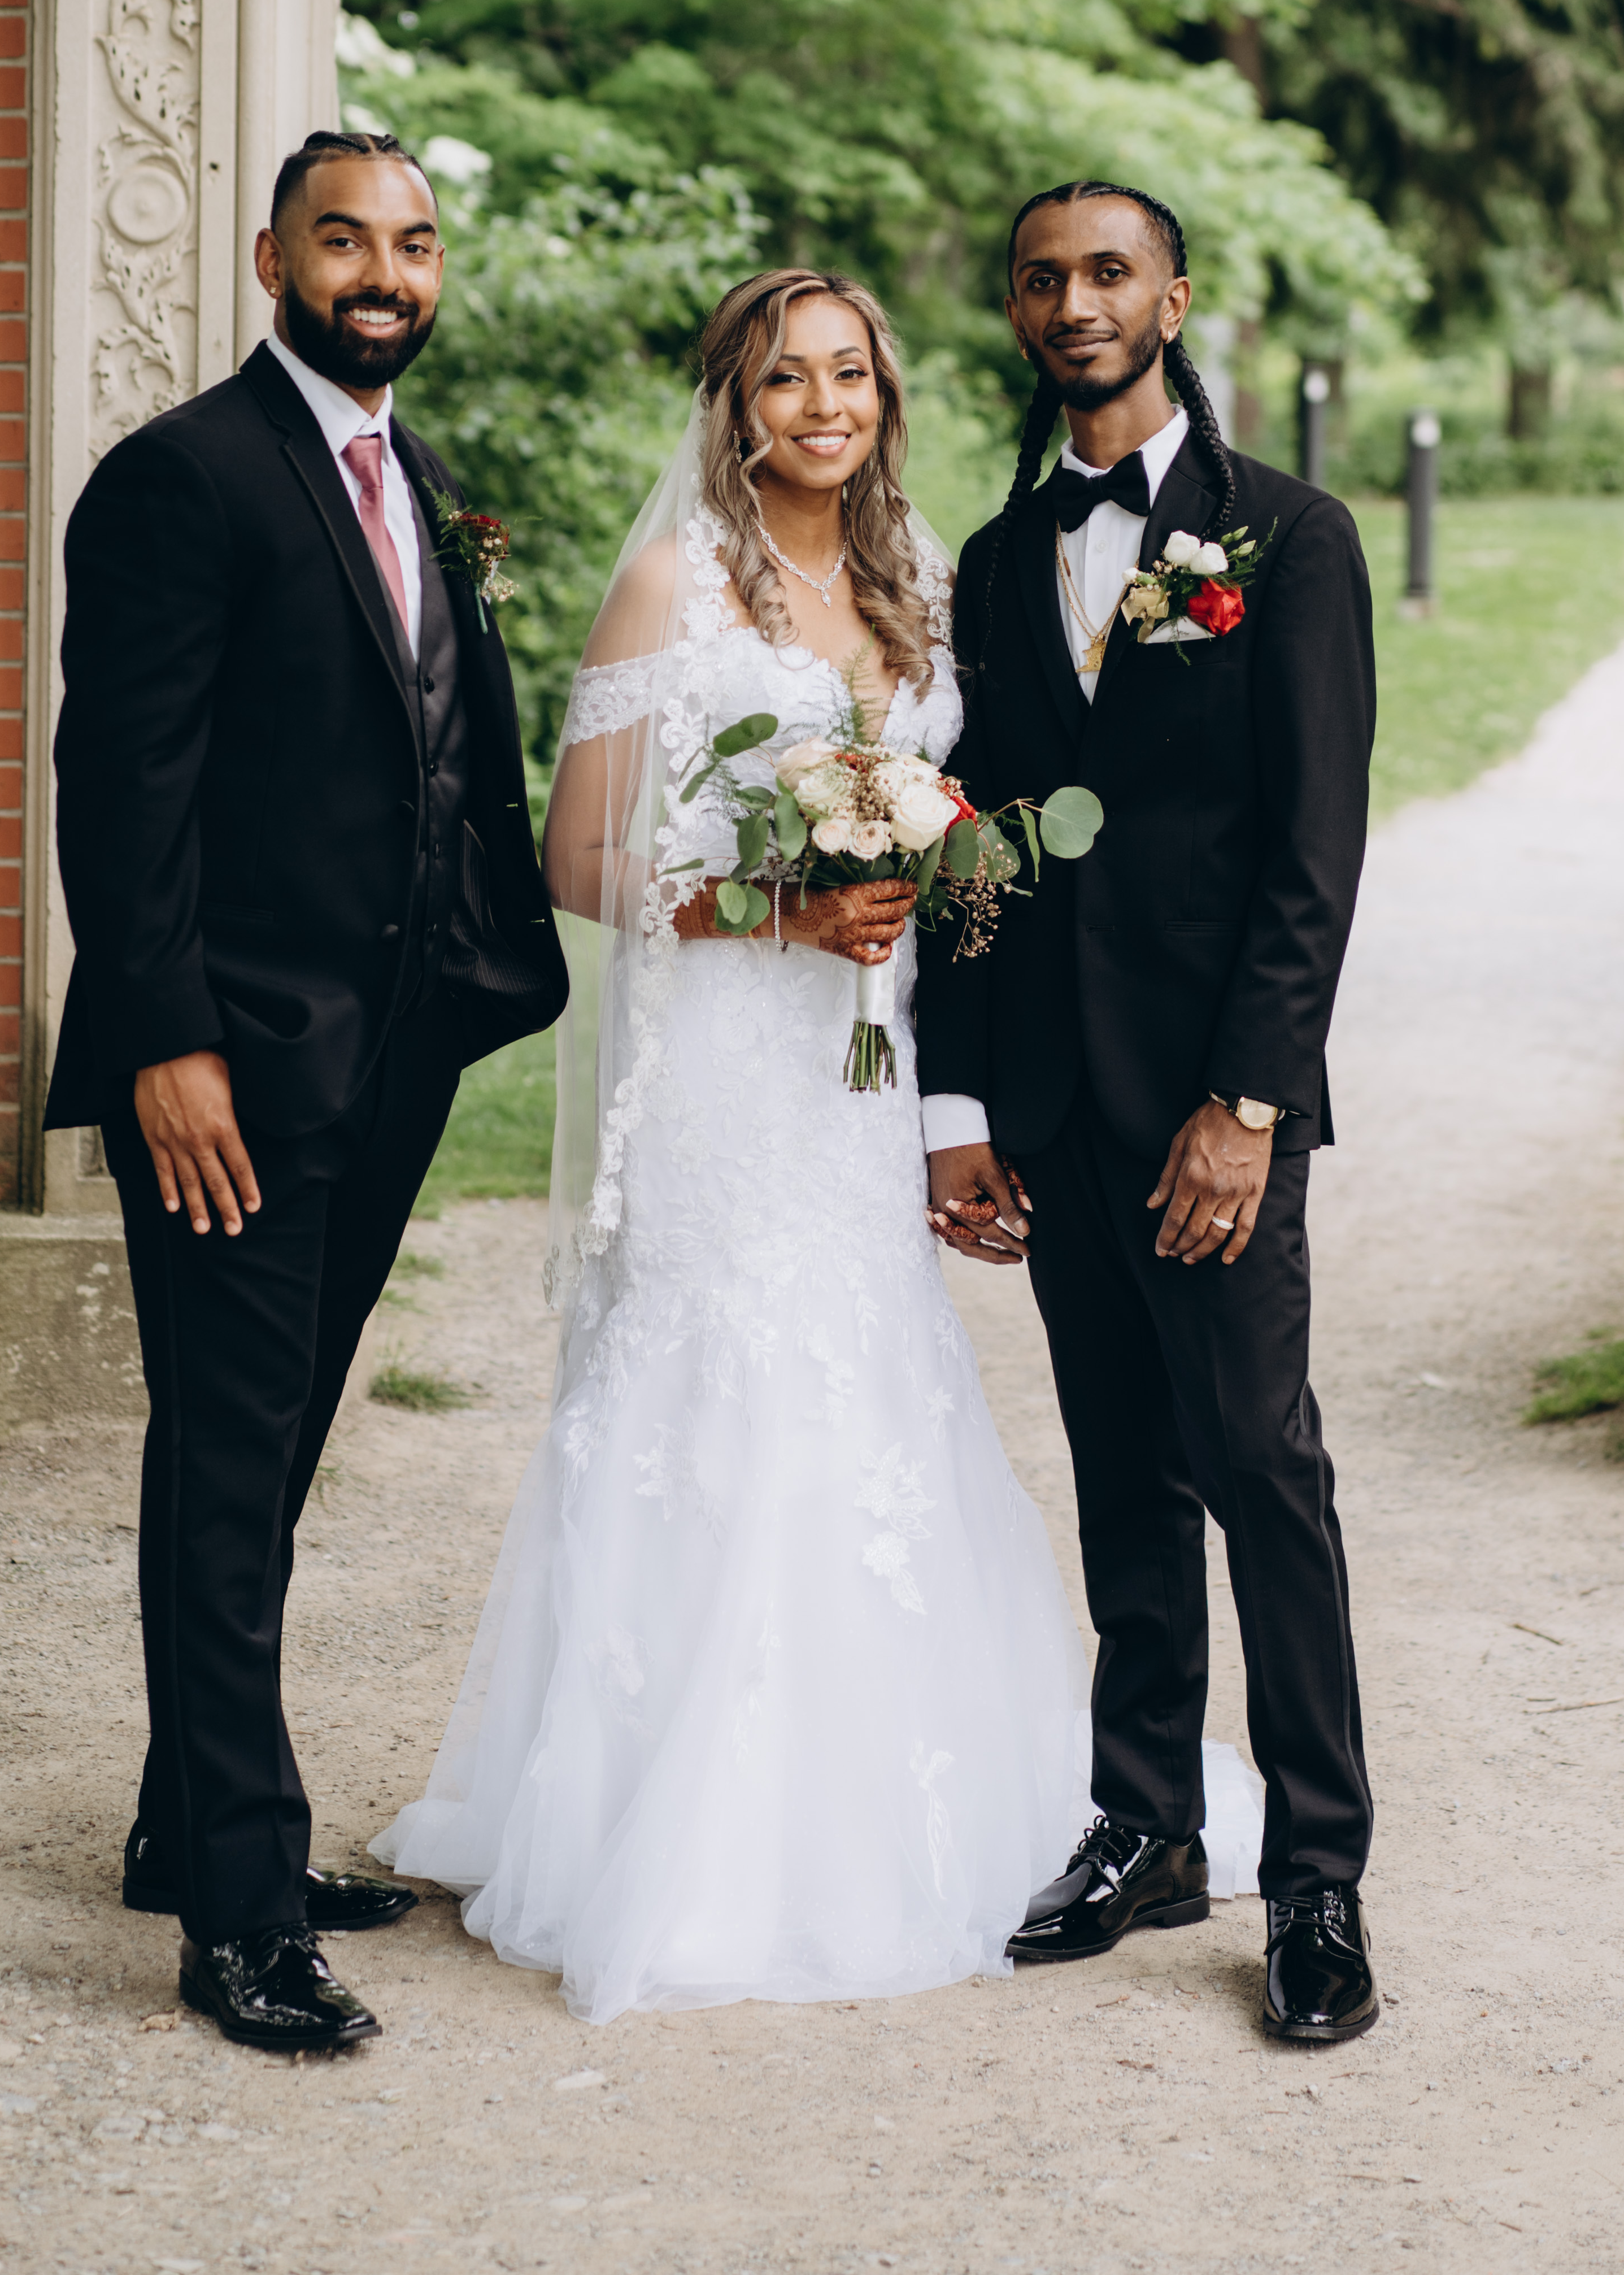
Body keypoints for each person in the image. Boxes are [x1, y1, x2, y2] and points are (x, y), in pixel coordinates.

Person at [371, 268, 1260, 2020]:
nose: (823, 407)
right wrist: (771, 909)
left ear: (884, 395)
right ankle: (678, 1821)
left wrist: (935, 898)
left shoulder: (922, 573)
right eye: (785, 379)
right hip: (722, 1068)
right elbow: (575, 860)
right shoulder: (673, 585)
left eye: (849, 374)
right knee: (716, 1383)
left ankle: (906, 1793)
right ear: (735, 404)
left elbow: (969, 818)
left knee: (872, 1378)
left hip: (866, 1066)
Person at [45, 129, 568, 2052]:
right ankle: (242, 1917)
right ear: (273, 258)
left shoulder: (409, 474)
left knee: (269, 1453)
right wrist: (162, 1041)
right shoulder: (182, 476)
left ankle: (189, 1821)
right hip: (231, 1070)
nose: (382, 274)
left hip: (389, 1053)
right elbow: (120, 787)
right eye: (343, 240)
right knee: (223, 1461)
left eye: (412, 245)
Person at [918, 179, 1379, 2047]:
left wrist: (1245, 1103)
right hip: (1049, 1103)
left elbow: (1311, 855)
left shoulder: (1290, 539)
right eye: (1040, 278)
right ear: (1017, 313)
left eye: (1106, 272)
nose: (1073, 302)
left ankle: (1320, 1876)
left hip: (1210, 1112)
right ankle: (1146, 1825)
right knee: (1120, 1472)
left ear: (1170, 301)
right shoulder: (988, 558)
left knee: (1259, 1464)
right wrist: (960, 1102)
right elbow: (968, 851)